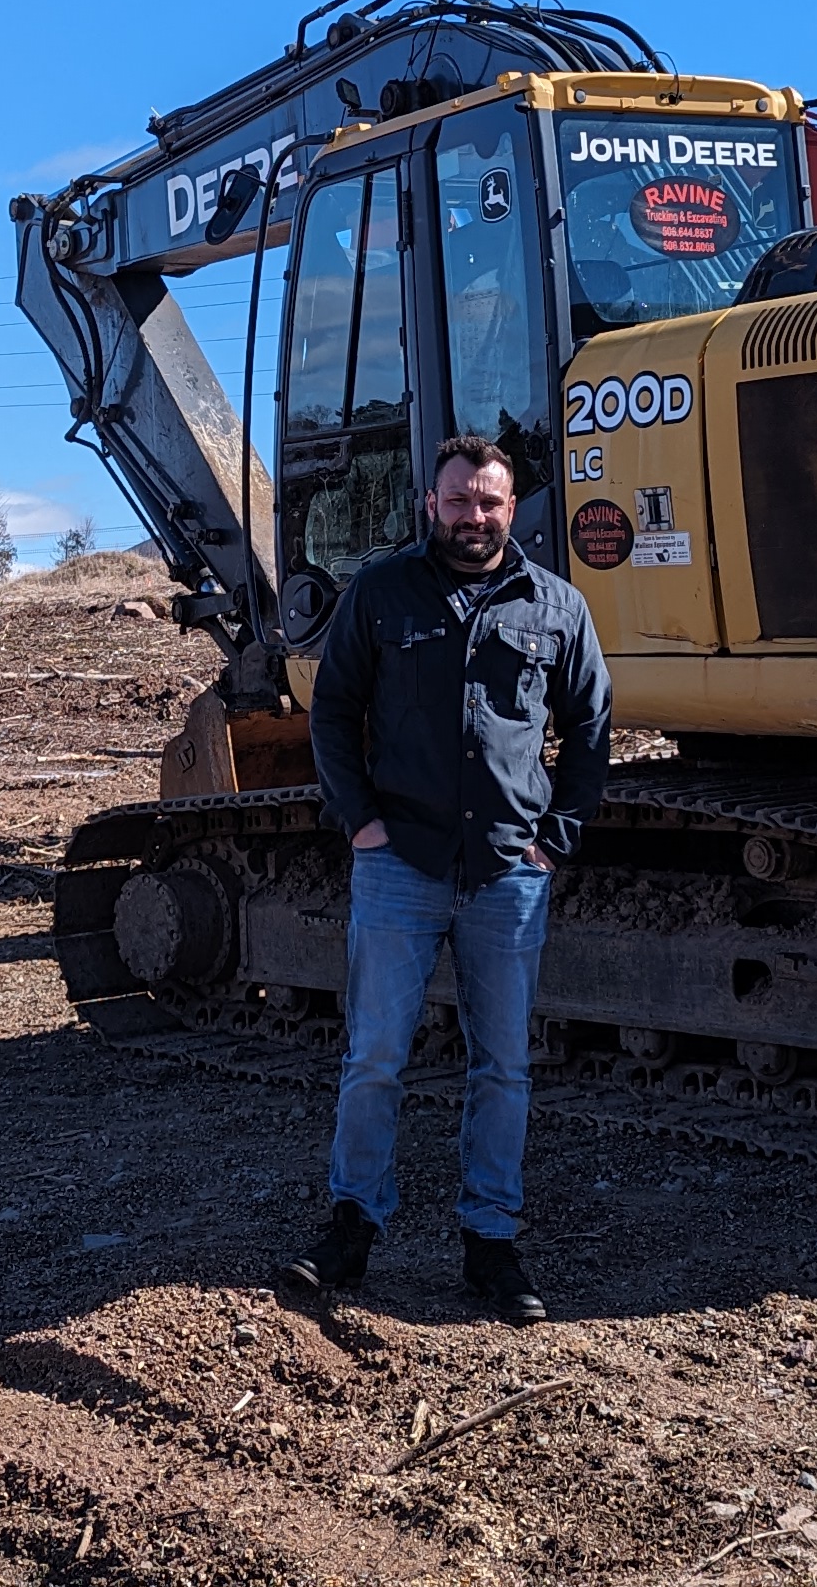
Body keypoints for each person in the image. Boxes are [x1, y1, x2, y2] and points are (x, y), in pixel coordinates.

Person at [275, 434, 611, 1324]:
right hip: (403, 863)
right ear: (433, 504)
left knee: (502, 1066)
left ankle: (490, 1241)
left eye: (489, 502)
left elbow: (590, 728)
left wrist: (555, 839)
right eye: (459, 500)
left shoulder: (556, 608)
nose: (474, 516)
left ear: (512, 509)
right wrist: (363, 824)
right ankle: (352, 1226)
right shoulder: (381, 594)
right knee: (375, 1056)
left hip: (508, 869)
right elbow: (335, 712)